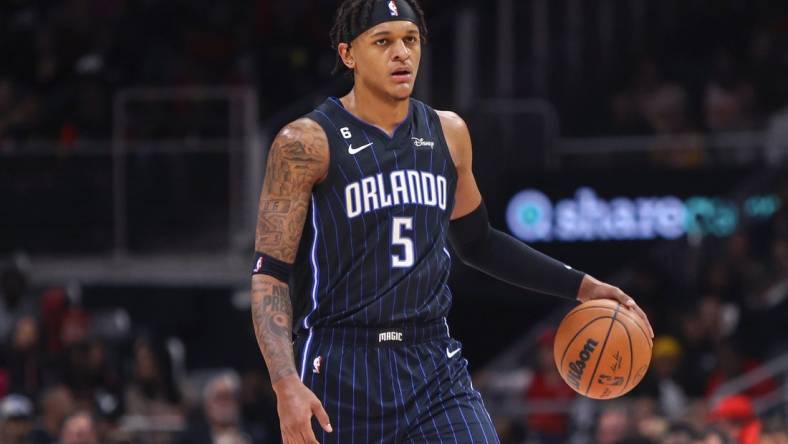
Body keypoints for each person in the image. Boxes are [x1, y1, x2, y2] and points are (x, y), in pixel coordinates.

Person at [249, 1, 654, 442]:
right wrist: (285, 381)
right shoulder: (304, 143)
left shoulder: (449, 132)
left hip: (431, 360)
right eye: (383, 42)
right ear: (348, 55)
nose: (401, 53)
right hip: (343, 363)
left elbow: (478, 243)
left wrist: (582, 286)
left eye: (410, 39)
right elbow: (270, 275)